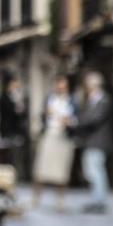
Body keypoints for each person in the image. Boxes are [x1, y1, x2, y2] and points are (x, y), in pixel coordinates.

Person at [32, 75, 78, 211]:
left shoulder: (72, 101)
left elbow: (77, 120)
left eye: (63, 86)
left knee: (62, 171)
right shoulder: (49, 99)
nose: (60, 88)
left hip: (64, 137)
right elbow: (42, 116)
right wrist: (45, 114)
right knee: (41, 169)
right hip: (49, 135)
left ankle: (60, 200)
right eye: (58, 85)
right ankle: (36, 198)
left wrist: (69, 122)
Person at [71, 71, 113, 214]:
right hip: (90, 142)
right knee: (92, 171)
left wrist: (75, 122)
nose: (86, 88)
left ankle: (99, 202)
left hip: (98, 142)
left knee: (96, 172)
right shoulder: (91, 100)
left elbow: (94, 119)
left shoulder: (103, 100)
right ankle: (96, 200)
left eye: (88, 85)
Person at [0, 71, 29, 177]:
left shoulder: (17, 97)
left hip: (17, 132)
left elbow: (23, 114)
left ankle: (14, 178)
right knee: (8, 158)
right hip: (7, 131)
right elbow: (8, 113)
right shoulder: (3, 98)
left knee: (15, 158)